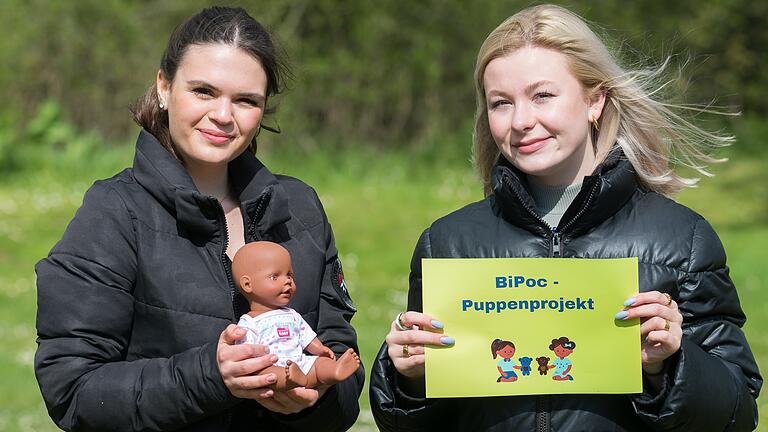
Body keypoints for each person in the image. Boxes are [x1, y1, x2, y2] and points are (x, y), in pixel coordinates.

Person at [370, 4, 761, 431]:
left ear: (595, 99)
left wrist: (669, 365)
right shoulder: (446, 243)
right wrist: (407, 378)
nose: (521, 121)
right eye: (501, 103)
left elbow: (737, 415)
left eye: (542, 95)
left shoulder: (681, 239)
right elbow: (406, 422)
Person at [34, 7, 363, 432]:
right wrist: (211, 375)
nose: (224, 115)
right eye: (204, 91)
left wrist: (316, 397)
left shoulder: (298, 207)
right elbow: (72, 390)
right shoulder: (113, 211)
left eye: (246, 100)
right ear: (164, 87)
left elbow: (341, 363)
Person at [232, 241, 360, 390]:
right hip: (272, 364)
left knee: (318, 363)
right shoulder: (249, 323)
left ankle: (334, 371)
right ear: (248, 285)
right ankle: (289, 381)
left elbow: (305, 336)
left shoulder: (292, 315)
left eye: (290, 275)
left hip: (299, 362)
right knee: (267, 374)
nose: (287, 281)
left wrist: (319, 349)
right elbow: (245, 354)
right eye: (275, 276)